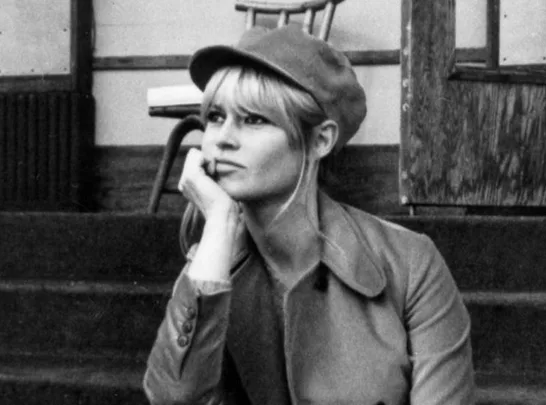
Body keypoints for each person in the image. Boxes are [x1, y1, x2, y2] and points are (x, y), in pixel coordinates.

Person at [143, 24, 474, 405]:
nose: (222, 138)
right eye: (216, 116)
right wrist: (219, 226)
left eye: (254, 119)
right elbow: (173, 399)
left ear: (320, 140)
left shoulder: (412, 264)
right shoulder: (209, 266)